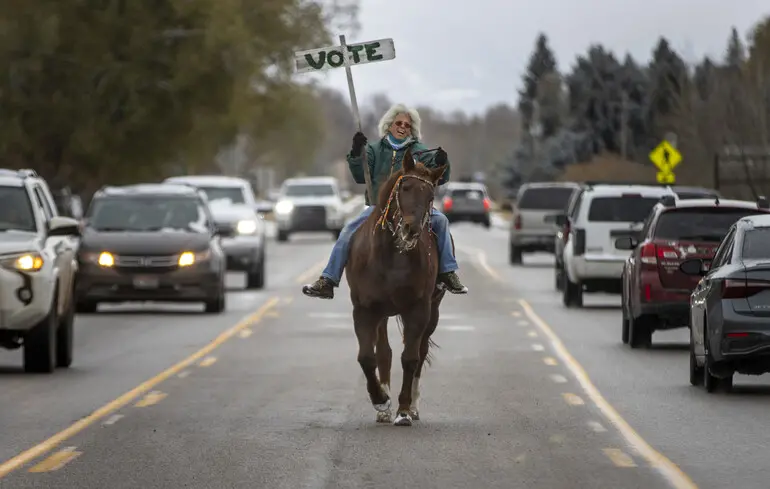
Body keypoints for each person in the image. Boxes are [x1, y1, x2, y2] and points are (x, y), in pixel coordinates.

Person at [302, 103, 468, 299]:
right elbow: (359, 176)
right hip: (378, 208)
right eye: (399, 123)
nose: (402, 127)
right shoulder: (373, 149)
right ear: (389, 125)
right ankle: (328, 280)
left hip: (413, 208)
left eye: (407, 125)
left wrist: (442, 162)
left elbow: (439, 175)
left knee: (441, 221)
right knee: (348, 230)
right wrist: (356, 153)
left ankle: (448, 273)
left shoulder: (421, 152)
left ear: (412, 129)